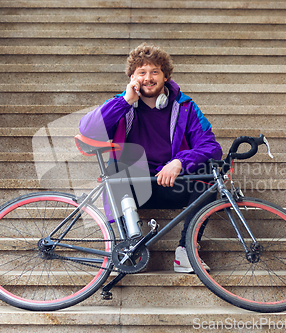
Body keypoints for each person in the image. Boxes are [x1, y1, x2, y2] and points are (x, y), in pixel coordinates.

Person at [78, 43, 223, 273]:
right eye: (141, 72)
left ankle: (186, 251)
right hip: (131, 187)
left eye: (154, 71)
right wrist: (125, 100)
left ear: (165, 76)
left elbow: (210, 146)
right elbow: (88, 130)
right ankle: (130, 244)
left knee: (209, 178)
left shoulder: (185, 106)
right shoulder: (120, 104)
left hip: (169, 183)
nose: (148, 78)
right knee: (116, 165)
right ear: (132, 78)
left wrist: (179, 162)